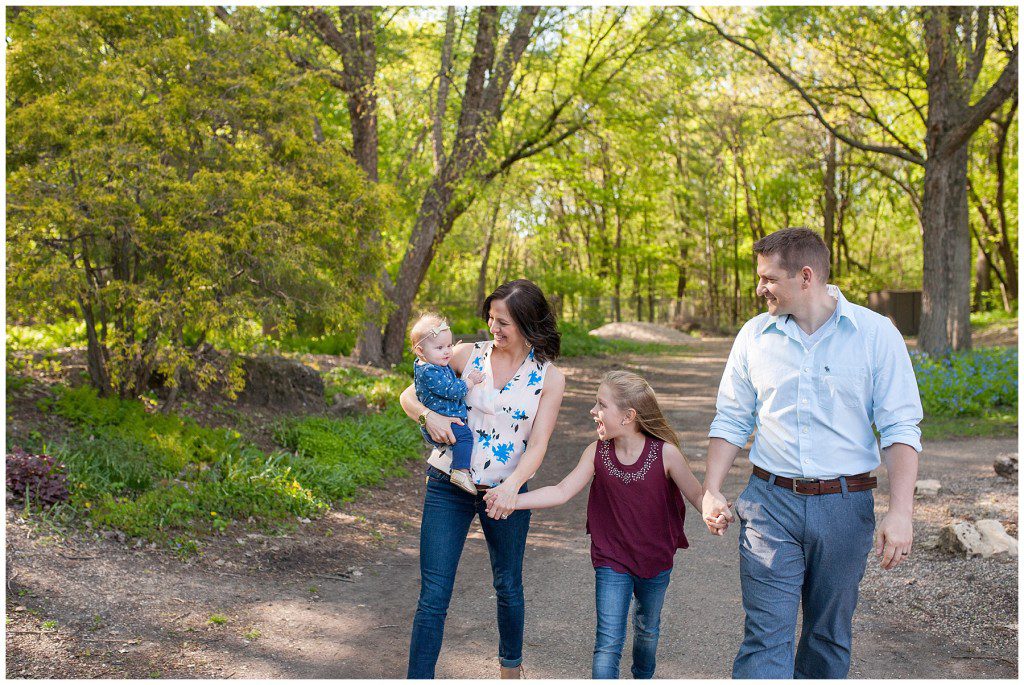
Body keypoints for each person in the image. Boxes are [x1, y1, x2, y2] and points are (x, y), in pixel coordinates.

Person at [701, 227, 923, 679]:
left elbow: (900, 428)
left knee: (827, 638)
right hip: (770, 504)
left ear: (805, 277)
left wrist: (901, 511)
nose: (759, 287)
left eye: (767, 278)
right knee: (765, 638)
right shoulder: (753, 337)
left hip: (846, 506)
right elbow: (731, 420)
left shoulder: (876, 335)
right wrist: (711, 489)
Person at [399, 279, 566, 679]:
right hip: (447, 485)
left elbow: (539, 445)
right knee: (433, 595)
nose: (493, 328)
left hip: (505, 493)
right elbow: (408, 396)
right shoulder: (463, 354)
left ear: (528, 324)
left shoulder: (549, 377)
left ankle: (511, 669)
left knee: (508, 585)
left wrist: (511, 488)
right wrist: (429, 416)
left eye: (503, 321)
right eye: (490, 318)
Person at [495, 370, 703, 679]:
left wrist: (713, 512)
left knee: (647, 629)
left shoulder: (665, 455)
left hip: (655, 558)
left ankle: (642, 676)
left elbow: (697, 493)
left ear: (628, 416)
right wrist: (511, 498)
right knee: (607, 642)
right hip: (611, 558)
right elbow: (561, 491)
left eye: (601, 405)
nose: (594, 412)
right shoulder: (596, 452)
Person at [409, 312, 486, 495]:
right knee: (465, 437)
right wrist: (469, 382)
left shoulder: (429, 364)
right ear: (420, 351)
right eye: (440, 347)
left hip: (441, 419)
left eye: (449, 345)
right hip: (445, 419)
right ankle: (460, 471)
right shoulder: (430, 372)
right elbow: (452, 390)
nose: (447, 352)